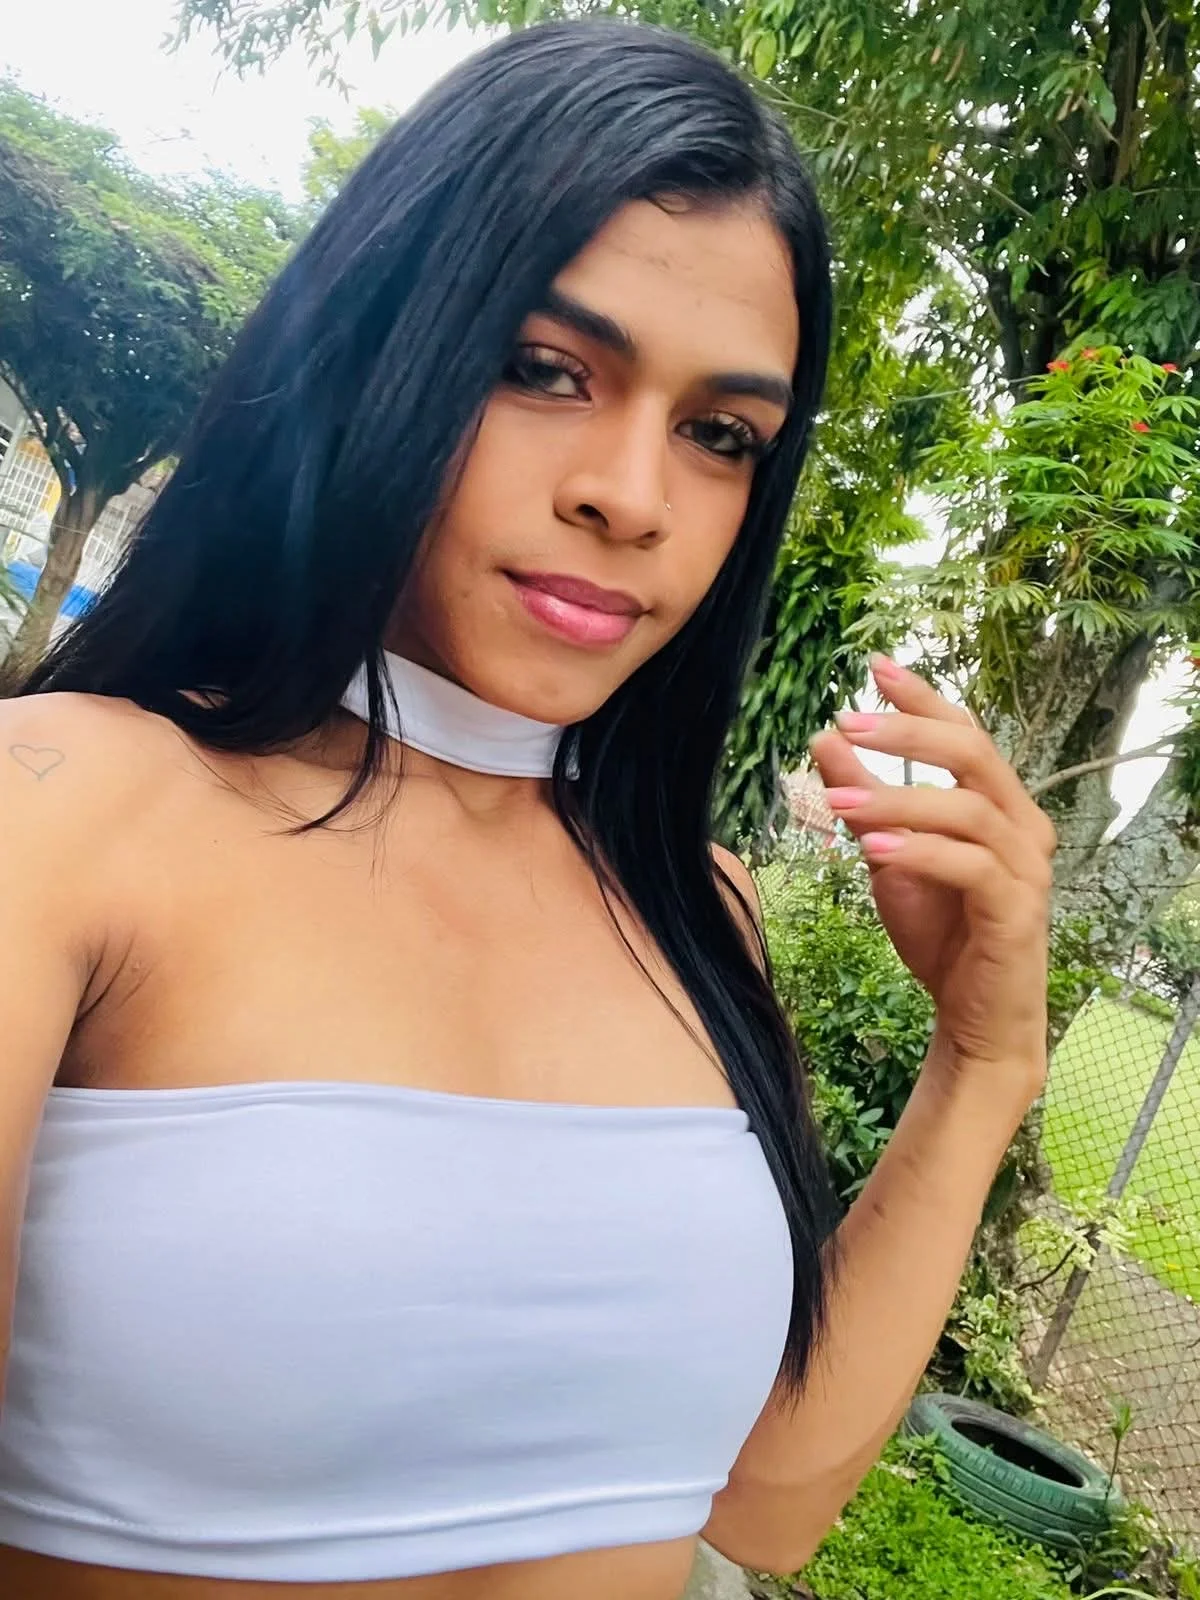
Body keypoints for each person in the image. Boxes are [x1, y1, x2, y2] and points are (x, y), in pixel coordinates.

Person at [0, 19, 1055, 1600]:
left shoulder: (697, 911)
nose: (630, 495)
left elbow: (753, 1511)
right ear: (380, 347)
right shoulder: (64, 816)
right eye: (545, 369)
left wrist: (984, 1064)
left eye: (720, 436)